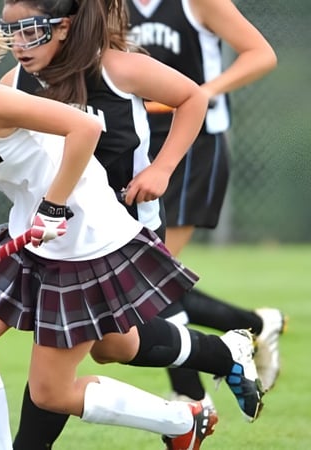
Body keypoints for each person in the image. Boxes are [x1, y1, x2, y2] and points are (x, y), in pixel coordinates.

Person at [0, 15, 257, 450]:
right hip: (35, 240)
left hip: (86, 243)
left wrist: (53, 203)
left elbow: (86, 127)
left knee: (51, 392)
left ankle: (181, 421)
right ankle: (221, 362)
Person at [0, 1, 262, 448]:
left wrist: (162, 169)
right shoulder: (15, 84)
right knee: (111, 345)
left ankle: (183, 415)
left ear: (61, 28)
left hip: (119, 235)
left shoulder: (117, 68)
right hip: (60, 236)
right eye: (10, 34)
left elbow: (192, 96)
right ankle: (223, 354)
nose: (18, 46)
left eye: (28, 32)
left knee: (53, 371)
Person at [127, 0, 284, 404]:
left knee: (150, 278)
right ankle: (253, 327)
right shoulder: (107, 6)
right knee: (148, 280)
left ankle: (193, 403)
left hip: (195, 145)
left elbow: (261, 54)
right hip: (136, 148)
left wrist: (202, 92)